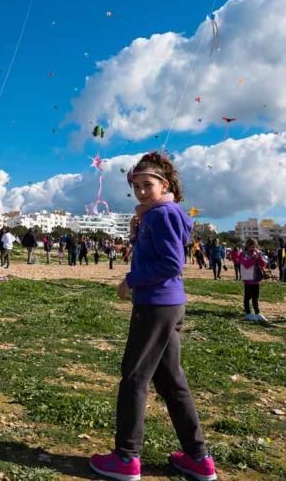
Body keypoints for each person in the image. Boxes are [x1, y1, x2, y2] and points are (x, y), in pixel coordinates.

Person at [90, 151, 217, 481]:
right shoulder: (156, 214)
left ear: (165, 183)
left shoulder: (164, 214)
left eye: (148, 184)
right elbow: (154, 252)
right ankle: (199, 459)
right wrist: (137, 228)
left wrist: (129, 281)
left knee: (134, 377)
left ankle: (126, 458)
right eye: (136, 186)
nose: (141, 191)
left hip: (157, 305)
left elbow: (171, 264)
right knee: (170, 381)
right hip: (164, 304)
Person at [240, 238, 268, 322]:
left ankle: (257, 313)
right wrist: (254, 258)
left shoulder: (257, 253)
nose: (253, 248)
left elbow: (263, 265)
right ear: (247, 246)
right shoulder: (243, 254)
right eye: (251, 246)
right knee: (247, 297)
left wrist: (259, 257)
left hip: (256, 279)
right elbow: (246, 265)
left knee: (255, 297)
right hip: (248, 279)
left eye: (255, 246)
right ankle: (248, 313)